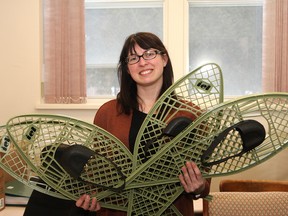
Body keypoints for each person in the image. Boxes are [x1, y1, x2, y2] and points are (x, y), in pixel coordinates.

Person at [76, 32, 210, 215]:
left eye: (149, 54)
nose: (142, 62)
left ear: (164, 59)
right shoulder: (107, 113)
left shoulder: (191, 114)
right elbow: (96, 172)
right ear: (127, 68)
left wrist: (199, 186)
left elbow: (205, 181)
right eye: (133, 57)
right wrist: (90, 197)